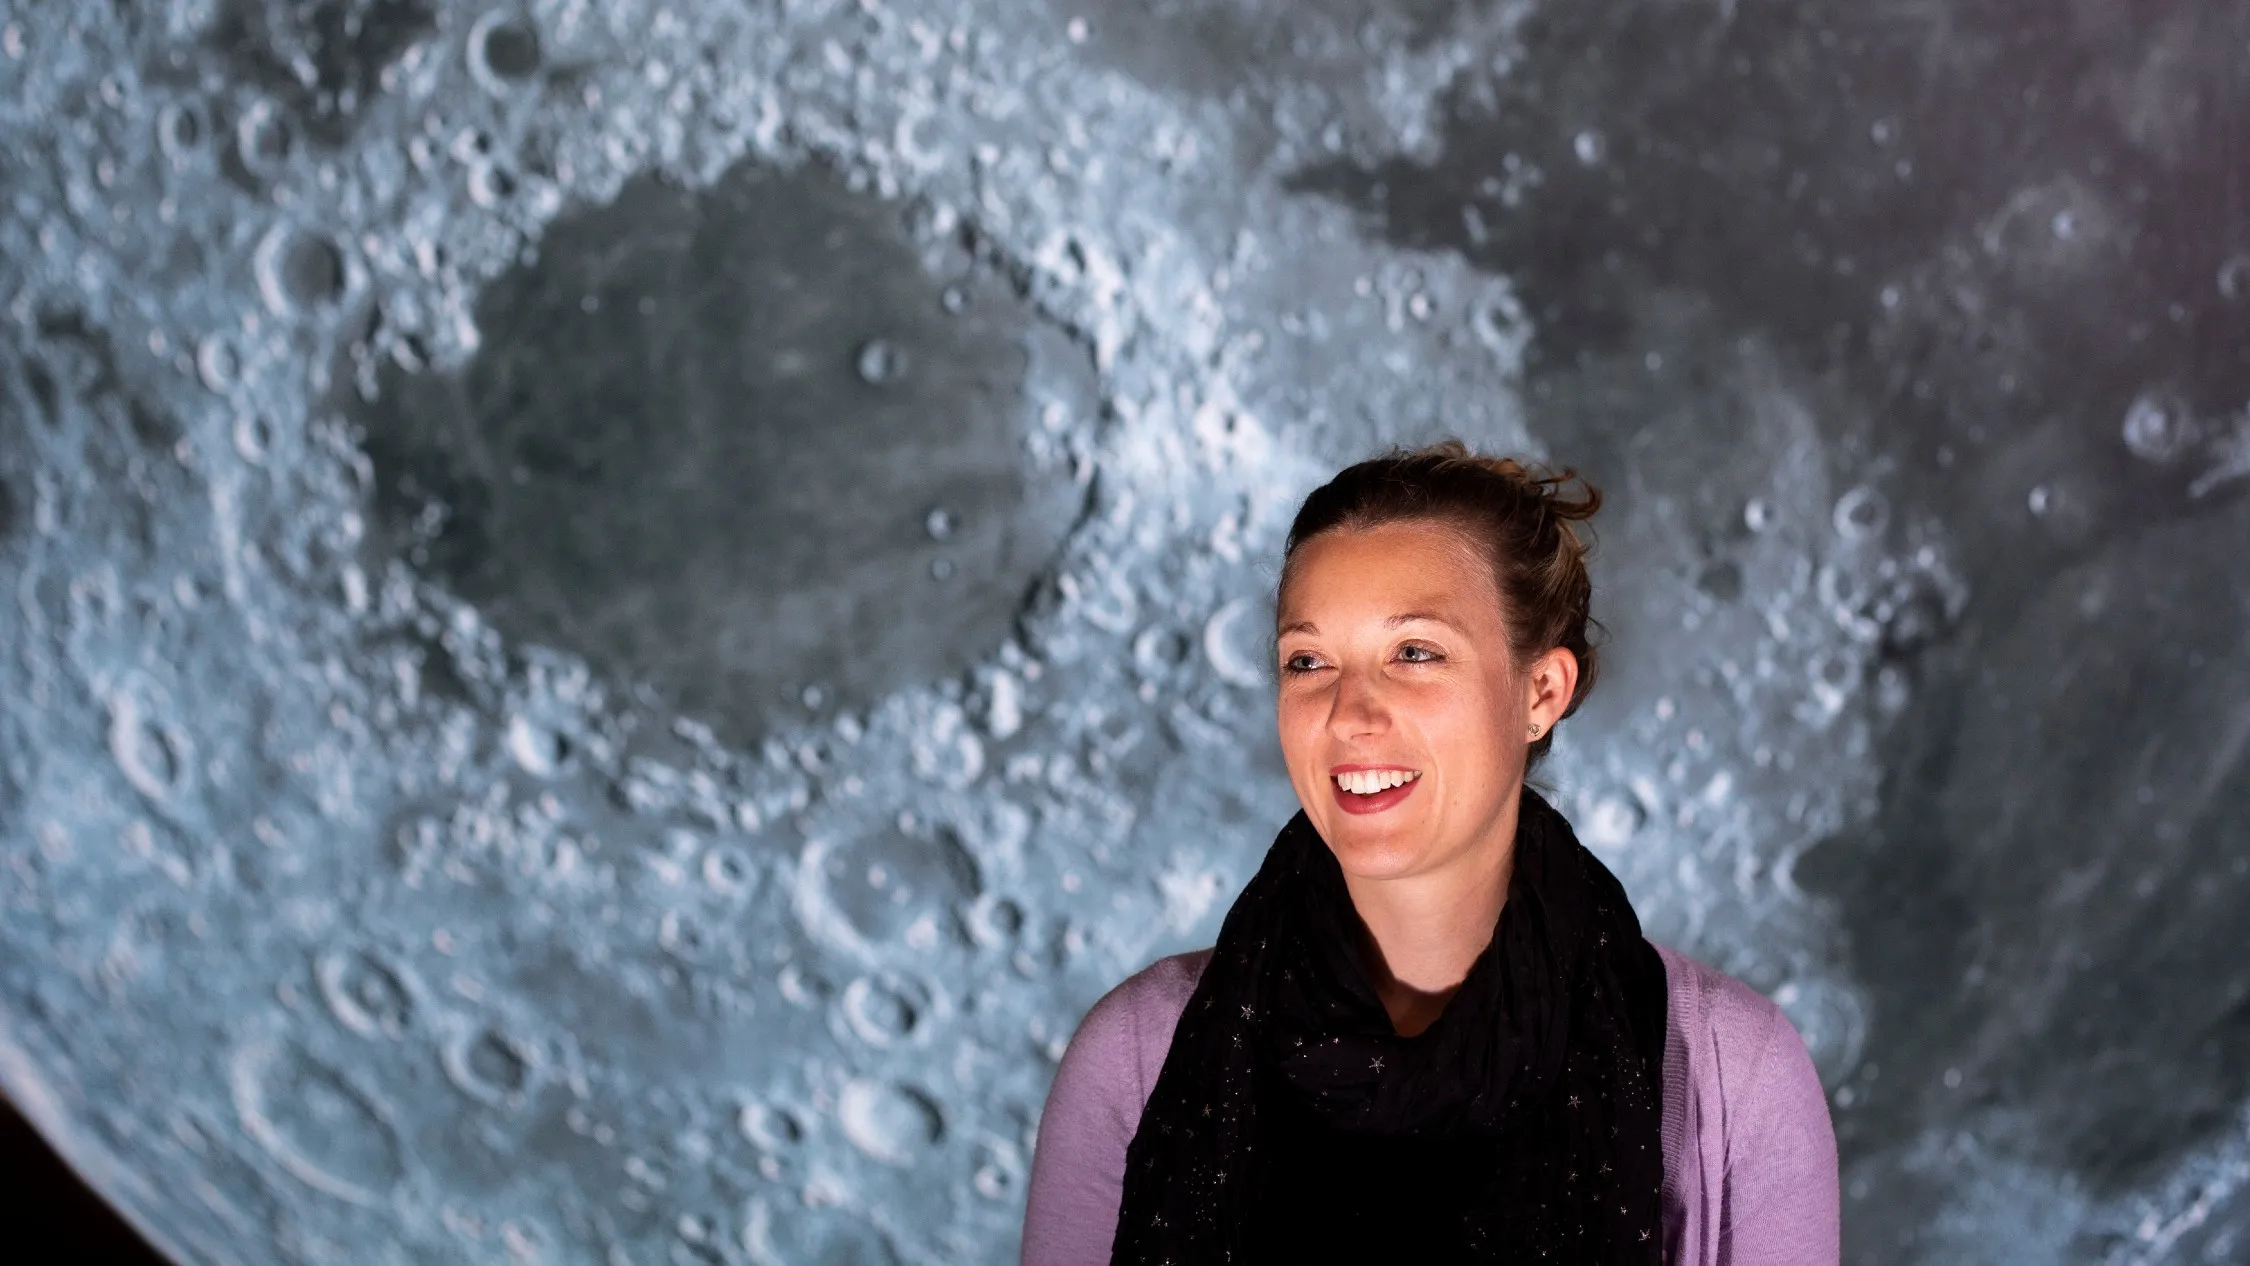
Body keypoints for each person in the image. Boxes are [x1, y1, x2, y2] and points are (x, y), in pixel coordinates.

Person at [1020, 442, 1840, 1264]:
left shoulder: (1735, 1075)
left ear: (1540, 693)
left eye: (1415, 653)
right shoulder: (1137, 1055)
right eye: (1308, 662)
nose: (1349, 712)